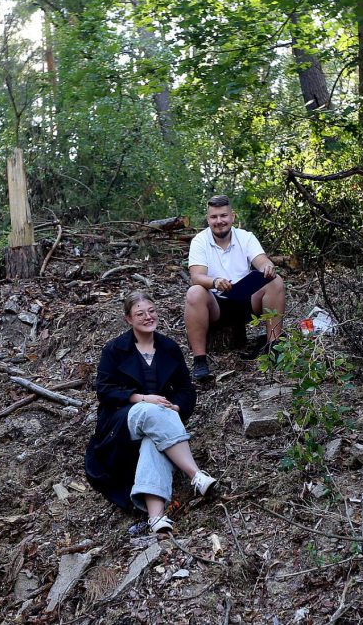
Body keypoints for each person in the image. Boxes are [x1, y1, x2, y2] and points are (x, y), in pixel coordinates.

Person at [84, 291, 217, 534]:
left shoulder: (169, 348)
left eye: (152, 311)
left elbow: (186, 389)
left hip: (160, 422)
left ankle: (156, 518)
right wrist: (143, 398)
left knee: (152, 443)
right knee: (150, 411)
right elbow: (105, 390)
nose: (148, 317)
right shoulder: (114, 350)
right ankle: (195, 474)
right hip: (121, 423)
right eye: (140, 314)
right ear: (128, 319)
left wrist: (175, 408)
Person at [185, 195, 286, 380]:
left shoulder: (245, 237)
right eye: (214, 217)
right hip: (216, 304)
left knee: (275, 280)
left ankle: (274, 348)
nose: (219, 221)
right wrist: (215, 281)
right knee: (194, 292)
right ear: (208, 219)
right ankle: (199, 361)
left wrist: (268, 267)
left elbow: (262, 261)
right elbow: (196, 276)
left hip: (246, 299)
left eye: (223, 215)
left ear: (232, 216)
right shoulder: (200, 241)